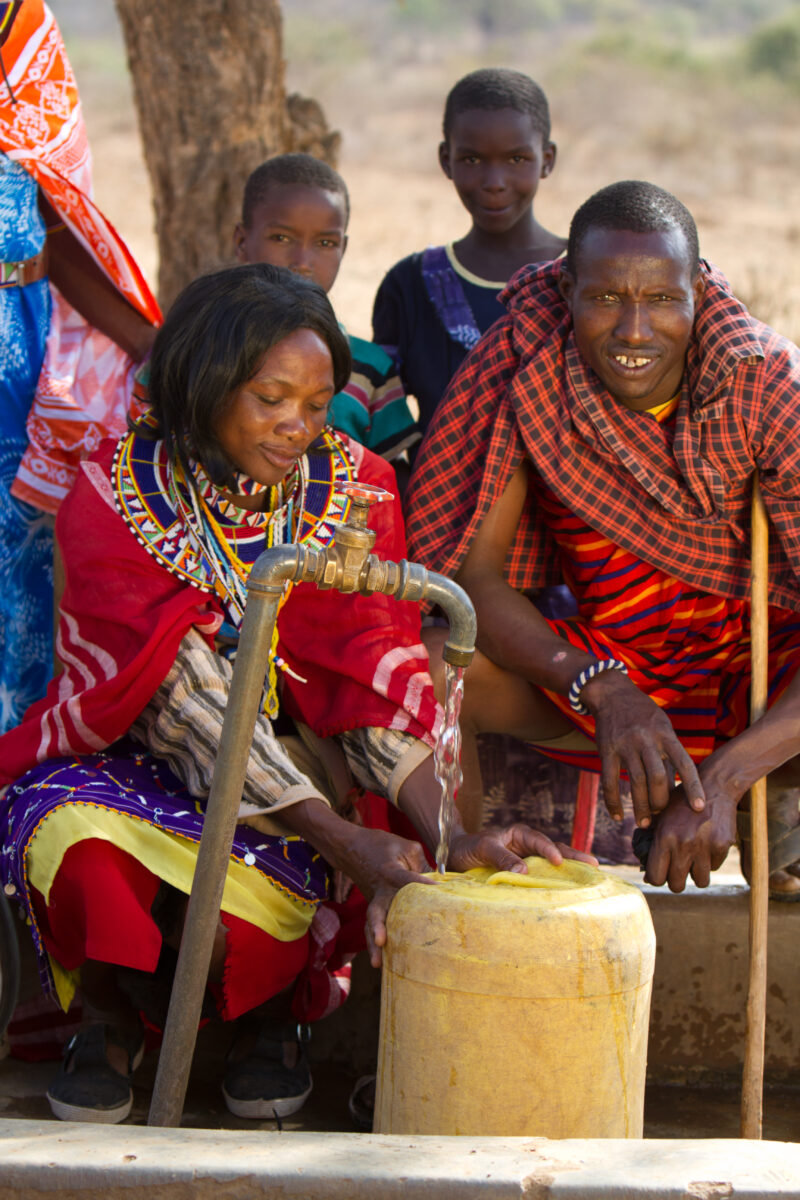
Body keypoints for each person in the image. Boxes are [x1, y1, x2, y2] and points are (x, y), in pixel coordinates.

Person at [0, 262, 590, 1125]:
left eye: (316, 405)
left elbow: (369, 678)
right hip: (133, 753)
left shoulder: (352, 491)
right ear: (205, 383)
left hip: (301, 758)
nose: (296, 428)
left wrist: (447, 830)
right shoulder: (114, 493)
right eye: (271, 398)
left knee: (285, 887)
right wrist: (339, 834)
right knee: (78, 843)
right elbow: (183, 703)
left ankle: (270, 1023)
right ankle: (107, 1017)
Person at [406, 179, 800, 899]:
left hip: (760, 687)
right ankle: (457, 887)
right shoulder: (534, 375)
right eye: (606, 299)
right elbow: (474, 580)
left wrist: (724, 780)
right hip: (612, 672)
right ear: (569, 292)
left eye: (661, 300)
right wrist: (602, 686)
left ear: (698, 295)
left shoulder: (765, 387)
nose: (635, 332)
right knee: (429, 671)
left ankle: (775, 798)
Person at [0, 0, 160, 734]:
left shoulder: (18, 24)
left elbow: (58, 217)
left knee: (21, 565)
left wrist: (149, 346)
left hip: (17, 358)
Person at [372, 67, 566, 437]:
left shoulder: (585, 277)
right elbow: (383, 423)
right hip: (436, 494)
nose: (494, 183)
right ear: (446, 159)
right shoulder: (410, 286)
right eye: (473, 160)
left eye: (516, 160)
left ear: (548, 159)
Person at [234, 152, 419, 466]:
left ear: (343, 249)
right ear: (241, 241)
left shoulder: (369, 369)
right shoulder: (201, 347)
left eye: (325, 244)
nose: (303, 262)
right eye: (281, 237)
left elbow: (388, 475)